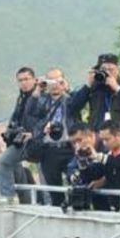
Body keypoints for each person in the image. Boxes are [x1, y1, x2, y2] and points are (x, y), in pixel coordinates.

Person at [0, 67, 45, 205]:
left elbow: (47, 118)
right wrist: (10, 131)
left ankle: (50, 204)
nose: (24, 83)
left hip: (41, 141)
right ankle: (9, 197)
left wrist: (35, 133)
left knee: (44, 175)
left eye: (27, 79)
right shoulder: (21, 98)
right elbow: (16, 117)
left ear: (34, 80)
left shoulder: (42, 94)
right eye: (20, 80)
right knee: (3, 161)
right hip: (22, 141)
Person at [33, 68, 78, 207]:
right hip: (49, 149)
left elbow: (79, 103)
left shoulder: (70, 99)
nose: (54, 84)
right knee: (54, 190)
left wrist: (68, 89)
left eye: (57, 80)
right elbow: (30, 112)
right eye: (50, 80)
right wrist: (37, 90)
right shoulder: (43, 101)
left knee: (76, 182)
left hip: (68, 147)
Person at [68, 53, 120, 132]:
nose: (107, 72)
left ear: (117, 70)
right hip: (98, 134)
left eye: (111, 69)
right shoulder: (94, 87)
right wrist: (88, 86)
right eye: (104, 69)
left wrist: (117, 88)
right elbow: (73, 107)